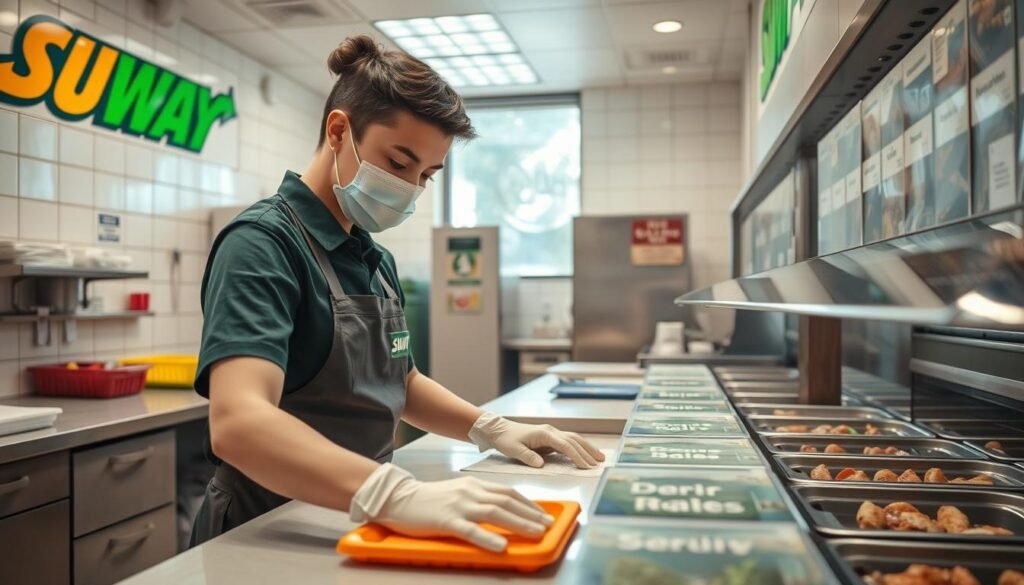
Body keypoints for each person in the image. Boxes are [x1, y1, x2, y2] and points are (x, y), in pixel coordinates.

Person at [188, 36, 604, 552]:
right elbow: (239, 422)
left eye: (426, 175)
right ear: (338, 130)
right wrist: (391, 493)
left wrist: (490, 427)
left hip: (358, 518)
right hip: (270, 527)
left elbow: (398, 381)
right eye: (399, 162)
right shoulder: (262, 245)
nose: (410, 187)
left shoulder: (373, 259)